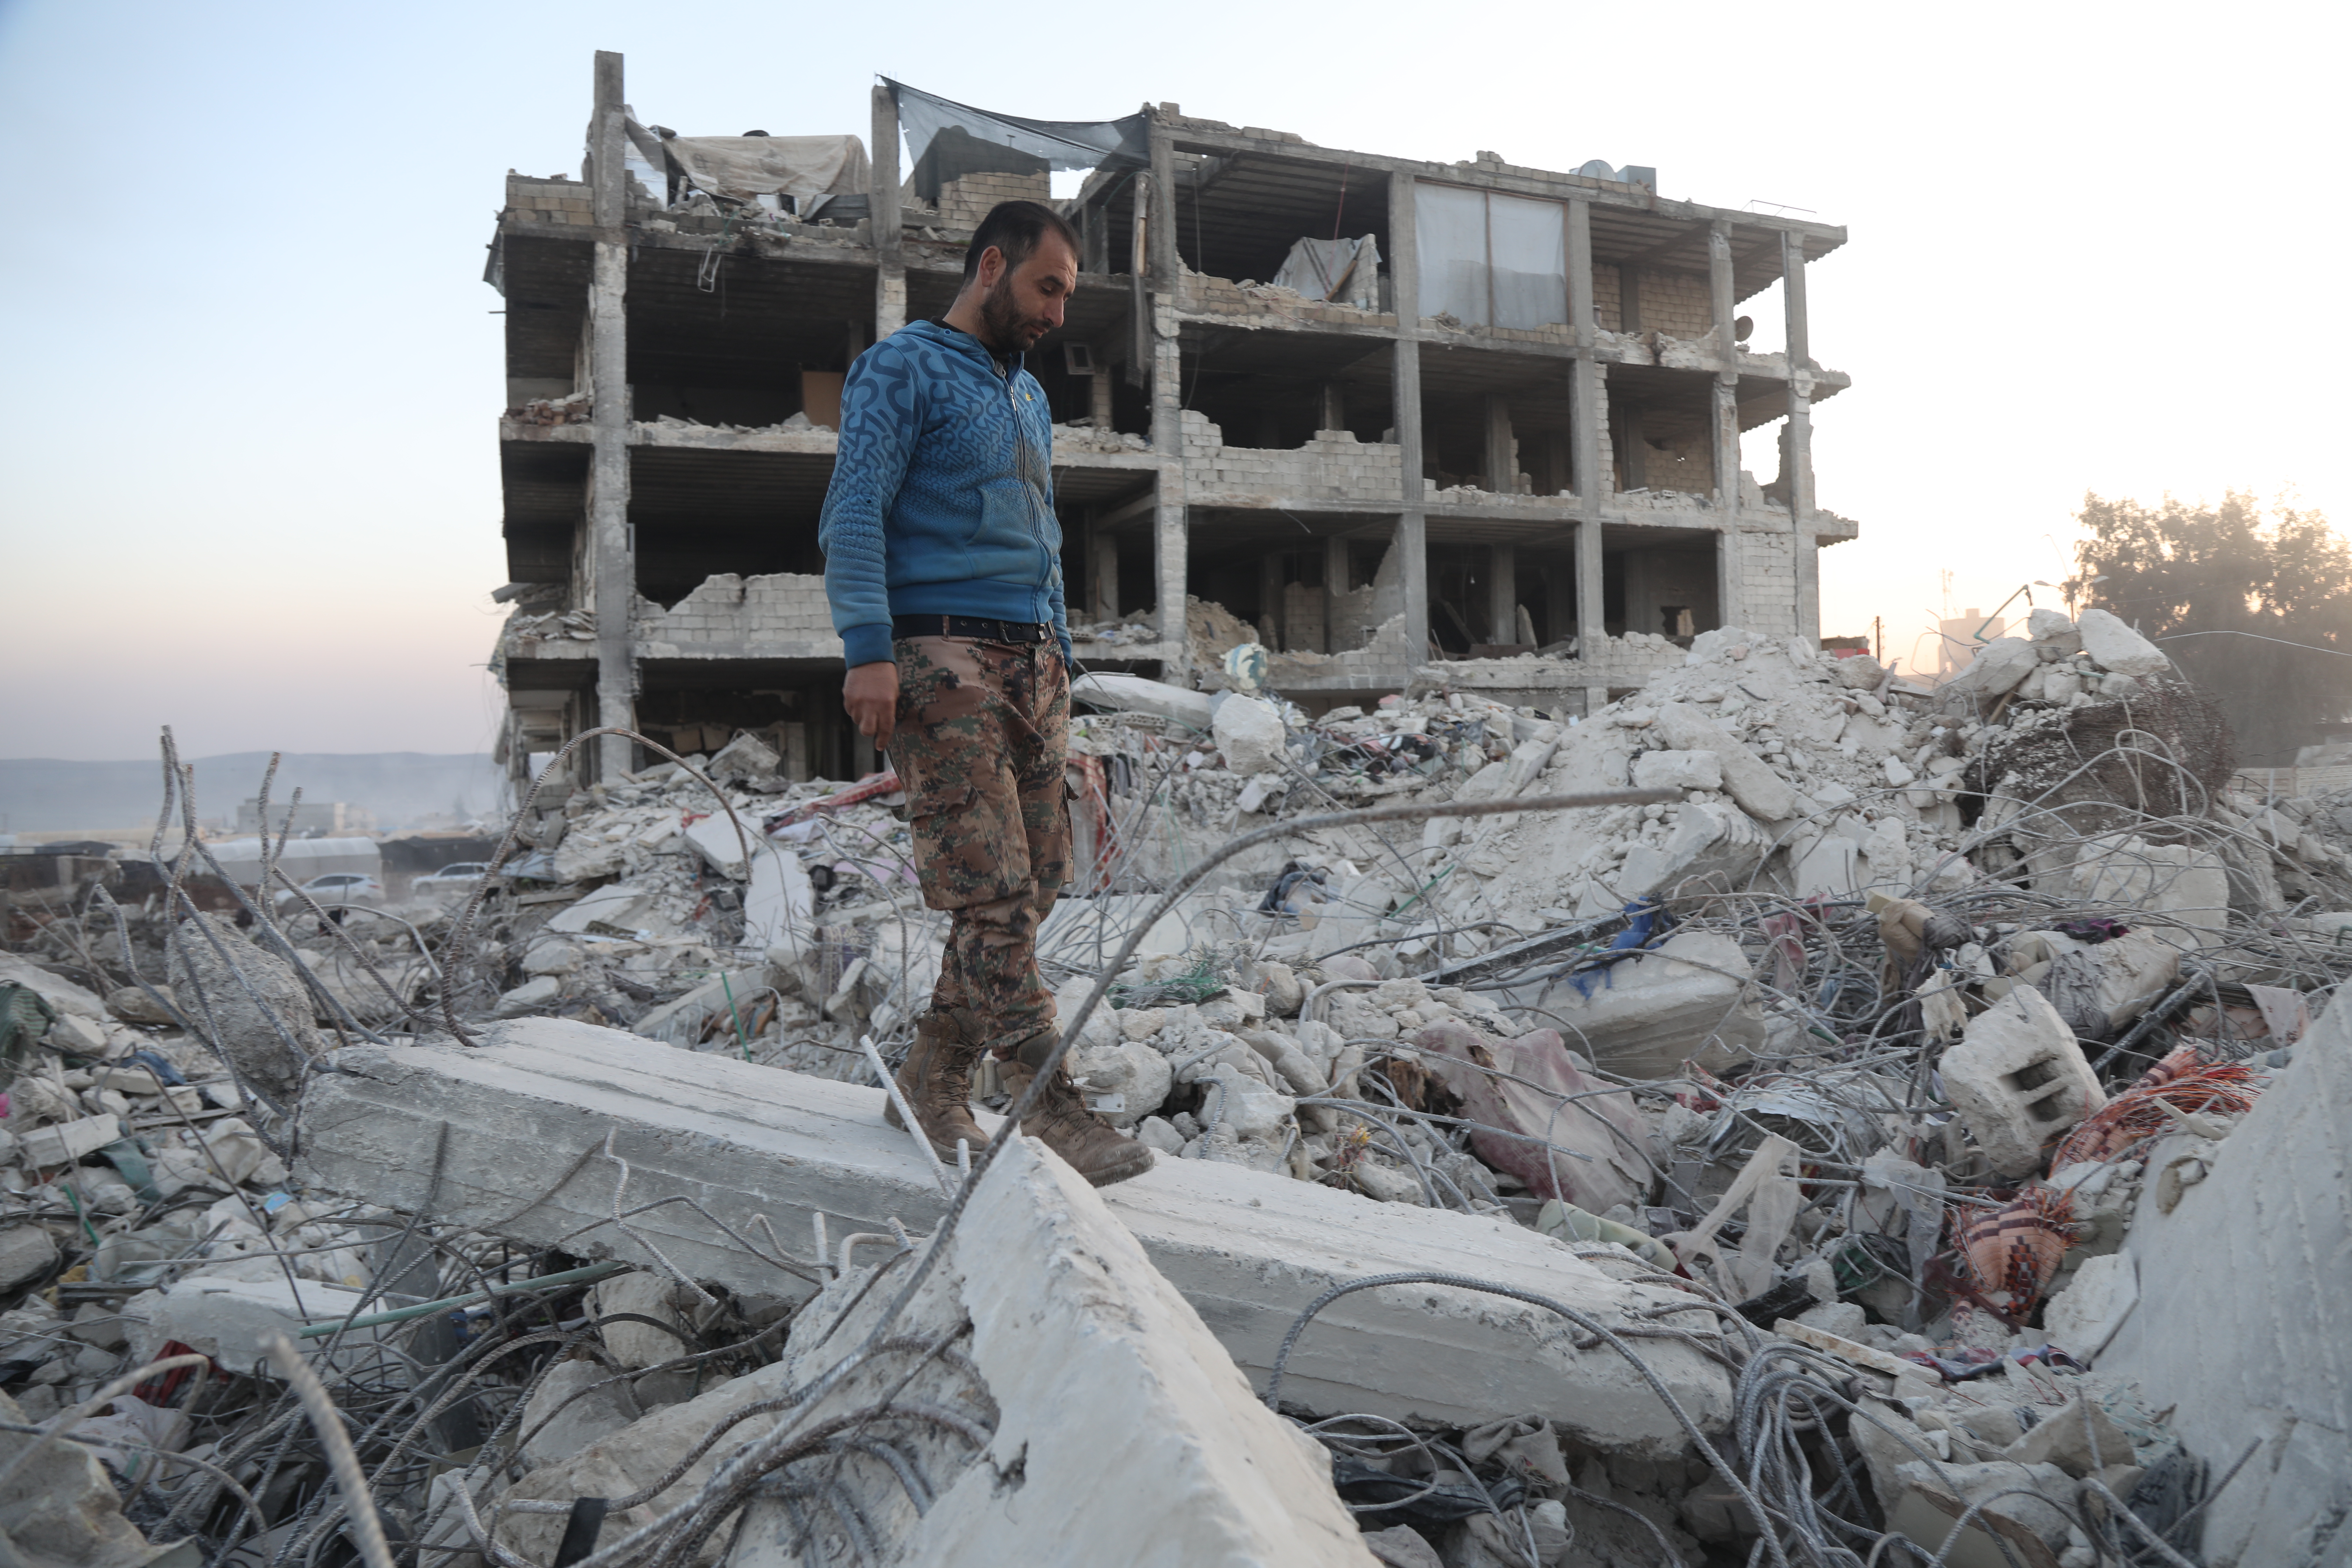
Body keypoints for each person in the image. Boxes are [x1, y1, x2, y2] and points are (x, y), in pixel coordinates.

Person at [817, 199, 1151, 1187]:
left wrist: (1065, 673)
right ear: (992, 266)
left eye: (1067, 295)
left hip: (1033, 660)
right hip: (939, 656)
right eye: (1047, 287)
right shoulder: (903, 366)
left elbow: (1042, 537)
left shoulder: (1030, 397)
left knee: (1038, 882)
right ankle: (1047, 1103)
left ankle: (930, 1080)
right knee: (992, 891)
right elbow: (855, 510)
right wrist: (868, 650)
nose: (1057, 312)